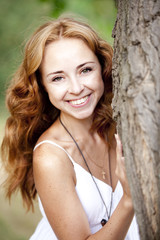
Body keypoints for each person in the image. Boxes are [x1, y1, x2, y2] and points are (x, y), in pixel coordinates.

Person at [1, 16, 140, 240]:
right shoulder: (51, 157)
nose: (76, 88)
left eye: (85, 70)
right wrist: (130, 200)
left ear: (103, 67)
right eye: (58, 78)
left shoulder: (124, 124)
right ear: (42, 86)